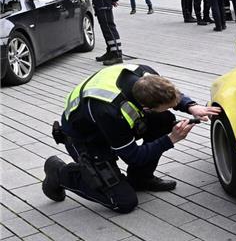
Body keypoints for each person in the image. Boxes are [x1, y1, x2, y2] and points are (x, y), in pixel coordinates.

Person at [43, 65, 220, 213]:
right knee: (123, 202)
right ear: (145, 107)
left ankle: (141, 179)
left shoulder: (146, 76)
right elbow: (133, 155)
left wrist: (191, 106)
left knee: (163, 118)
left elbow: (171, 94)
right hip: (85, 139)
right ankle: (59, 172)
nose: (175, 107)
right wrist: (171, 139)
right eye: (170, 106)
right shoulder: (110, 111)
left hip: (109, 125)